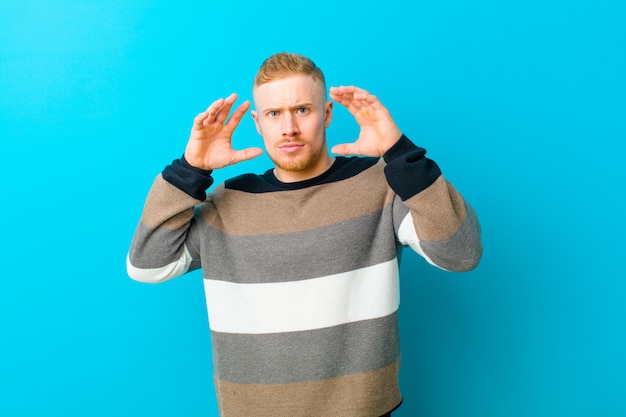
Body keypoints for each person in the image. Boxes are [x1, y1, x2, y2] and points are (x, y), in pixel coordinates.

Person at [127, 52, 482, 417]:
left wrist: (401, 155)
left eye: (302, 110)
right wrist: (190, 170)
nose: (289, 129)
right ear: (258, 123)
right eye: (274, 114)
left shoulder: (383, 186)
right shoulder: (227, 203)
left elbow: (461, 253)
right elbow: (147, 266)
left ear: (327, 114)